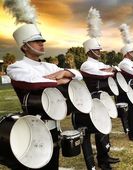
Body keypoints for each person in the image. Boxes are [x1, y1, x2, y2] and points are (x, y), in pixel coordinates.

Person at [7, 24, 83, 170]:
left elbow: (78, 76)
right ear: (25, 46)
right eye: (37, 41)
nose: (42, 43)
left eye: (42, 41)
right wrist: (62, 80)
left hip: (53, 127)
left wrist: (66, 73)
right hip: (31, 127)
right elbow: (33, 83)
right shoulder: (17, 66)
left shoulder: (50, 67)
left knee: (53, 164)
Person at [75, 37, 119, 170]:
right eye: (96, 49)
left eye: (99, 49)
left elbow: (115, 70)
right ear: (89, 51)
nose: (99, 51)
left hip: (103, 98)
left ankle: (104, 156)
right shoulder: (86, 65)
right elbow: (103, 75)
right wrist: (108, 71)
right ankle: (101, 161)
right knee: (98, 128)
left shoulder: (100, 64)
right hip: (93, 101)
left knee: (105, 128)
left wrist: (109, 71)